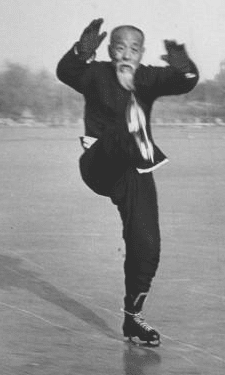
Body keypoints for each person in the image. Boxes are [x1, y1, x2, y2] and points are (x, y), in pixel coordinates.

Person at [56, 18, 199, 346]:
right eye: (120, 48)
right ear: (110, 50)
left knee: (147, 244)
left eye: (133, 50)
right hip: (100, 162)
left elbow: (186, 81)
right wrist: (82, 50)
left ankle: (133, 318)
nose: (126, 54)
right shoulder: (95, 74)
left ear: (141, 53)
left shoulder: (147, 77)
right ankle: (134, 135)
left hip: (133, 170)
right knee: (120, 134)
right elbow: (66, 72)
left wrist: (181, 62)